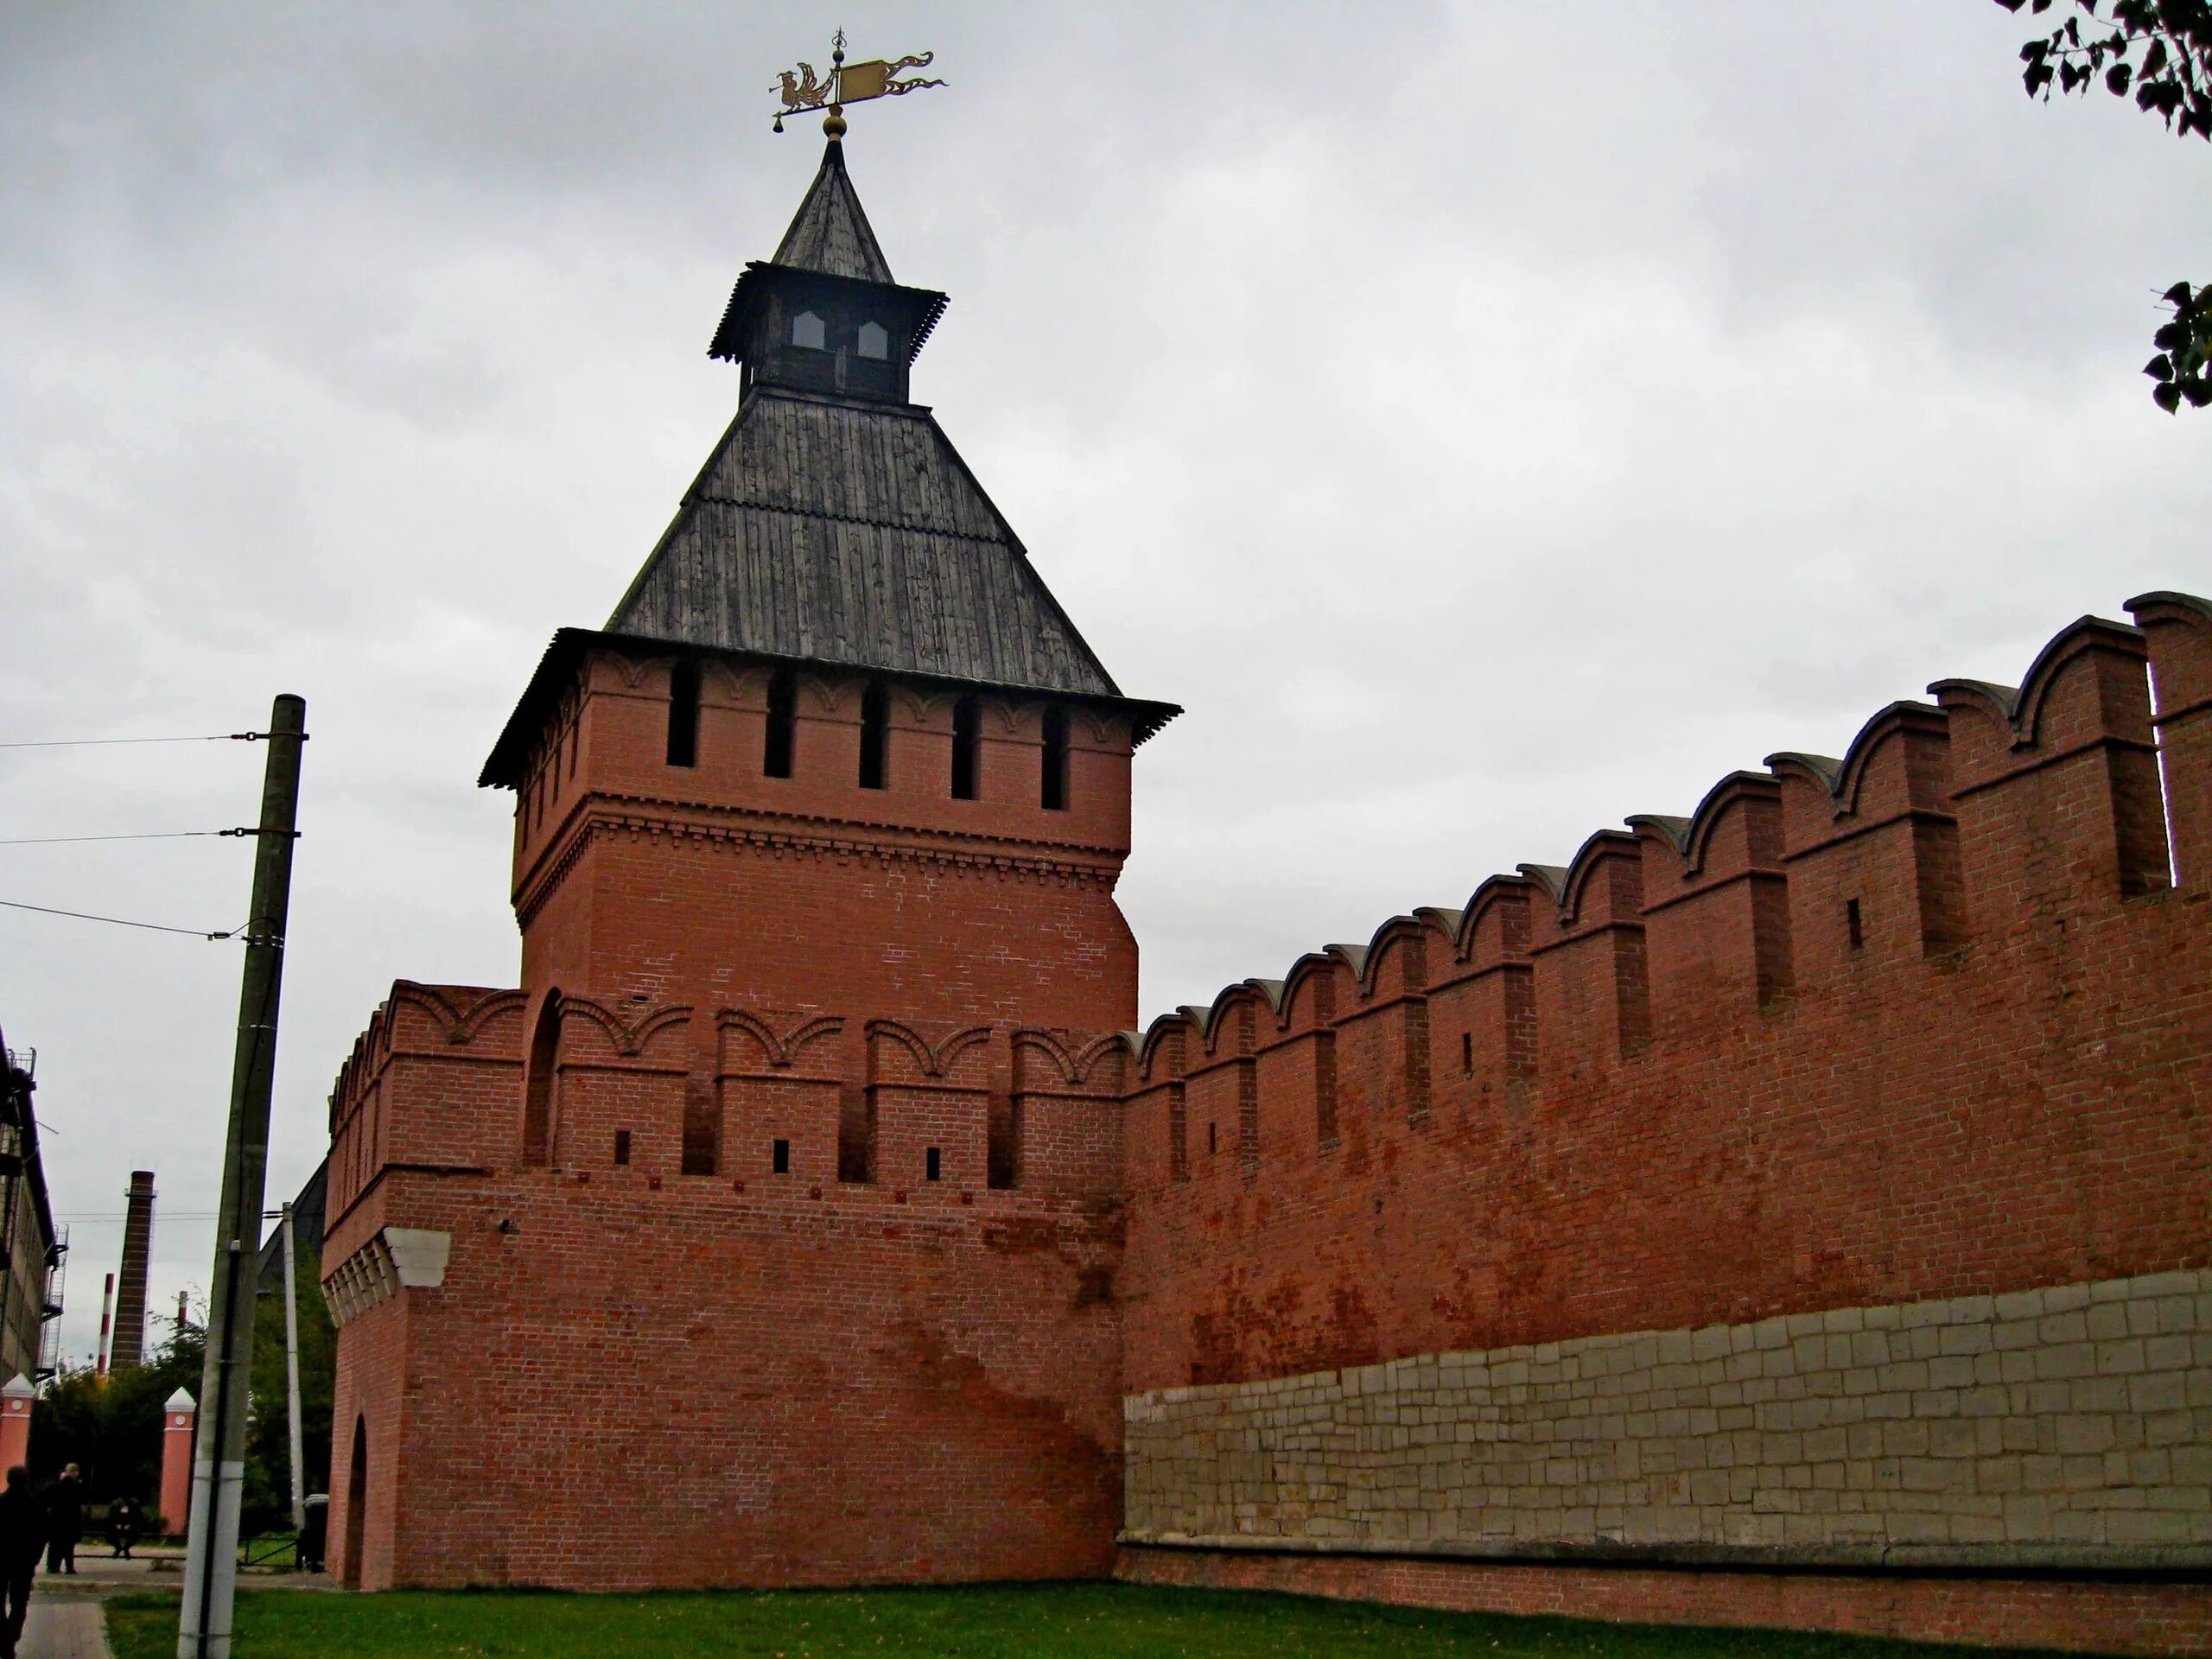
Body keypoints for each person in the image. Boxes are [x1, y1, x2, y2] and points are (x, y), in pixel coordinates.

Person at [0, 1466, 42, 1657]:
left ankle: (4, 1639)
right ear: (27, 1481)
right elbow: (41, 1536)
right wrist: (34, 1558)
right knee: (19, 1603)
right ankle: (12, 1636)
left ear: (8, 1480)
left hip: (1, 1560)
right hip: (24, 1562)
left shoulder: (1, 1503)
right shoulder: (34, 1505)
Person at [41, 1465, 79, 1575]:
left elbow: (46, 1500)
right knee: (69, 1545)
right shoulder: (76, 1486)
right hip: (71, 1520)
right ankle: (69, 1567)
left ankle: (52, 1566)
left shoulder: (55, 1485)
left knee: (54, 1545)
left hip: (55, 1519)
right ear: (75, 1473)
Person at [106, 1494, 143, 1560]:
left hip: (130, 1527)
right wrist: (116, 1524)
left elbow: (137, 1517)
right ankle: (118, 1547)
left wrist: (130, 1524)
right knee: (108, 1535)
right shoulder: (116, 1504)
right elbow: (111, 1517)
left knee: (136, 1535)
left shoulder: (134, 1504)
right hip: (117, 1527)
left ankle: (126, 1548)